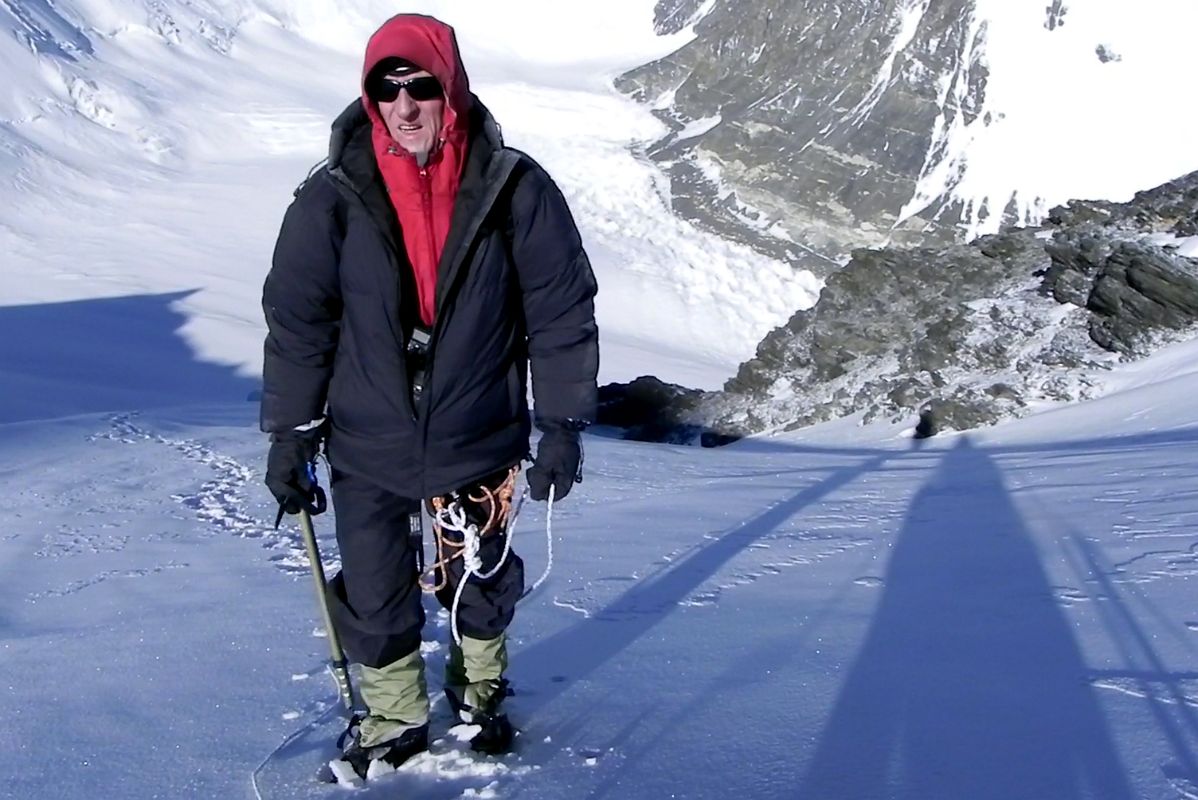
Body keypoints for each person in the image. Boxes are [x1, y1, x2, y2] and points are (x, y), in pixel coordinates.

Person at [260, 13, 599, 778]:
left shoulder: (514, 187)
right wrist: (290, 432)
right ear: (369, 95)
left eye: (421, 86)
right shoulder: (332, 196)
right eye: (388, 87)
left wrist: (564, 424)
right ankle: (393, 715)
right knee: (376, 588)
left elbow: (560, 307)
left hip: (478, 432)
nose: (405, 105)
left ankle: (479, 693)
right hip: (366, 436)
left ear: (453, 88)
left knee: (478, 579)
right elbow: (299, 319)